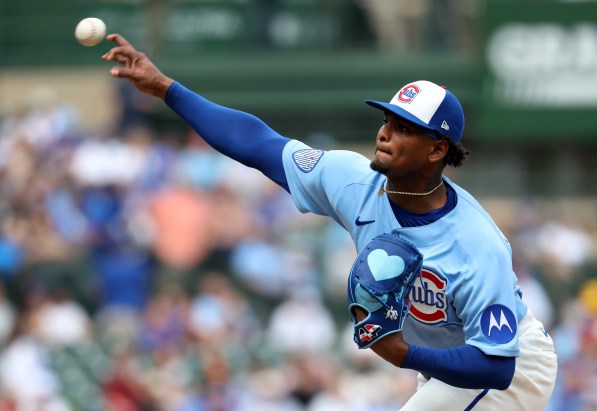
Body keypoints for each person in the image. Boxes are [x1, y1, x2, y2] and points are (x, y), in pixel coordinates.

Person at [102, 34, 558, 410]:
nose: (384, 132)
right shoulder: (350, 180)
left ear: (437, 150)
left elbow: (496, 365)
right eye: (387, 119)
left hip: (513, 367)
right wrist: (166, 88)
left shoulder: (476, 244)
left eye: (403, 127)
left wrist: (401, 353)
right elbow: (256, 143)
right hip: (444, 361)